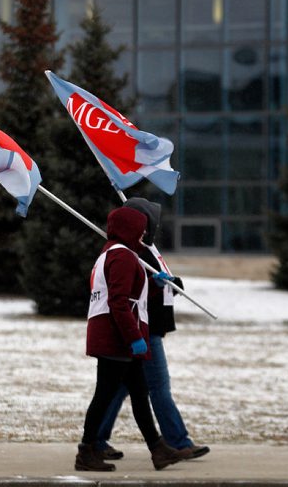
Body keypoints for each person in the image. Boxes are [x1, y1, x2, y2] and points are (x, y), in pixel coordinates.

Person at [96, 197, 210, 461]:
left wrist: (169, 283)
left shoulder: (147, 249)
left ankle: (96, 440)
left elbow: (149, 283)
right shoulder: (133, 251)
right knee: (159, 387)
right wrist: (157, 285)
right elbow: (131, 291)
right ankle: (178, 442)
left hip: (148, 328)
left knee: (119, 388)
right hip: (146, 331)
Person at [75, 205, 182, 472]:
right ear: (129, 229)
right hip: (117, 338)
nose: (145, 233)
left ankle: (158, 450)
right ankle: (86, 451)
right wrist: (134, 337)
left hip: (117, 336)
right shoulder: (122, 256)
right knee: (105, 395)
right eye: (141, 228)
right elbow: (119, 302)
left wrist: (155, 286)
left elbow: (132, 296)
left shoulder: (113, 253)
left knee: (139, 393)